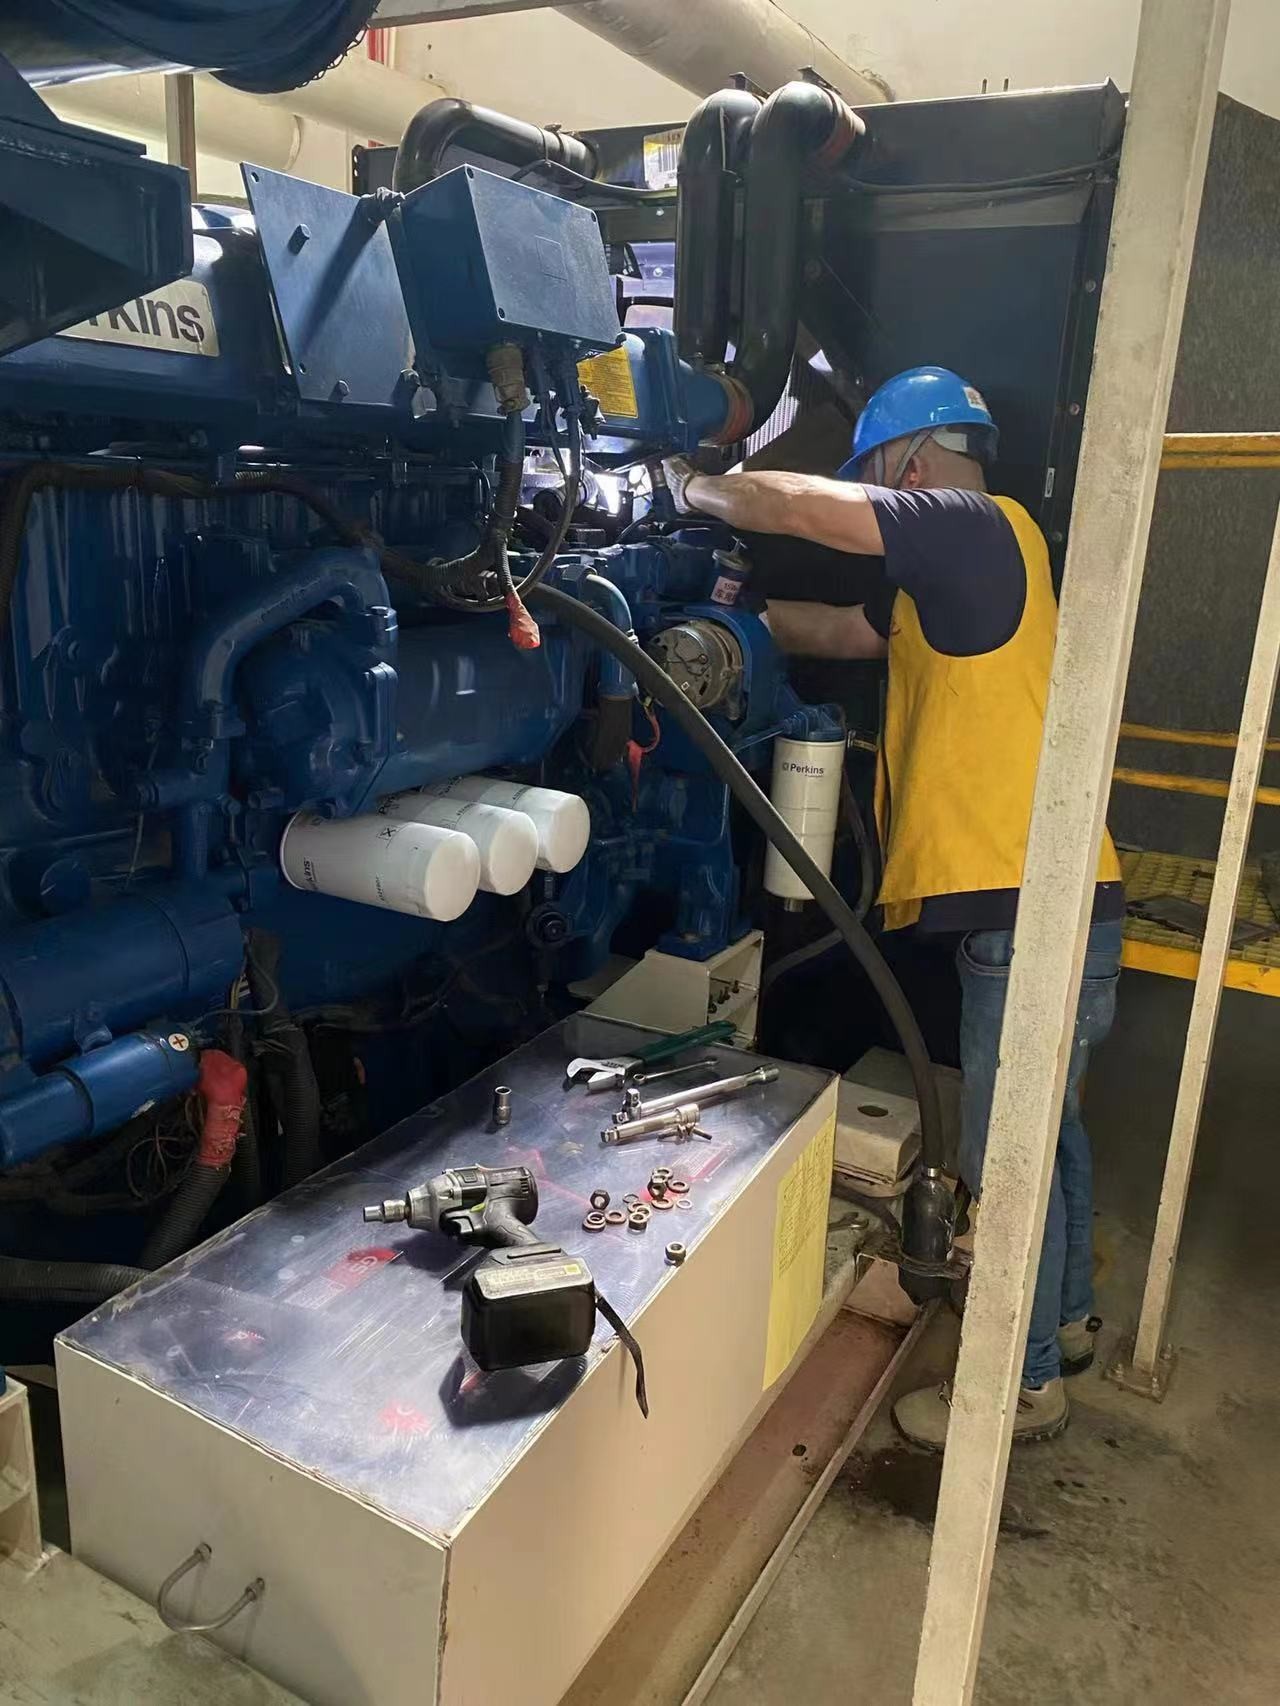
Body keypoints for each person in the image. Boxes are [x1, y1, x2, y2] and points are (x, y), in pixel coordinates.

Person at [662, 365, 1123, 1449]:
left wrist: (689, 488)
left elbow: (796, 505)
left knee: (1006, 1158)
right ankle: (1065, 1321)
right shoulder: (955, 584)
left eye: (875, 472)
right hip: (1057, 900)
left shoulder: (973, 525)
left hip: (1020, 902)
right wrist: (718, 611)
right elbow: (838, 632)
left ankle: (1018, 1387)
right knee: (1048, 1133)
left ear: (906, 465)